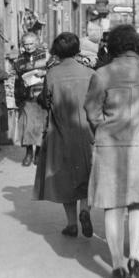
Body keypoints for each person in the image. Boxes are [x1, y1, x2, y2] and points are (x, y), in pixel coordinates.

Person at [84, 25, 139, 278]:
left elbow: (92, 110)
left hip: (111, 148)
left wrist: (104, 129)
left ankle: (116, 264)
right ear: (138, 47)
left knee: (113, 206)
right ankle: (134, 258)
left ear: (112, 47)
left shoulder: (102, 75)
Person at [34, 33, 95, 238]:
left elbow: (45, 99)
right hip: (86, 131)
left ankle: (71, 224)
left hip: (61, 131)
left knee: (65, 177)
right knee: (87, 173)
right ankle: (85, 210)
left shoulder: (52, 74)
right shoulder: (89, 72)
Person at [14, 32, 49, 166]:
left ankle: (38, 154)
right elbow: (17, 79)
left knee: (41, 126)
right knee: (27, 126)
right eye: (25, 44)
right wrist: (18, 97)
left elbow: (53, 70)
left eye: (31, 44)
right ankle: (29, 153)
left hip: (42, 95)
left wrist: (43, 73)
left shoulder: (46, 56)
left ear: (37, 42)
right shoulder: (20, 59)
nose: (28, 47)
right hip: (27, 96)